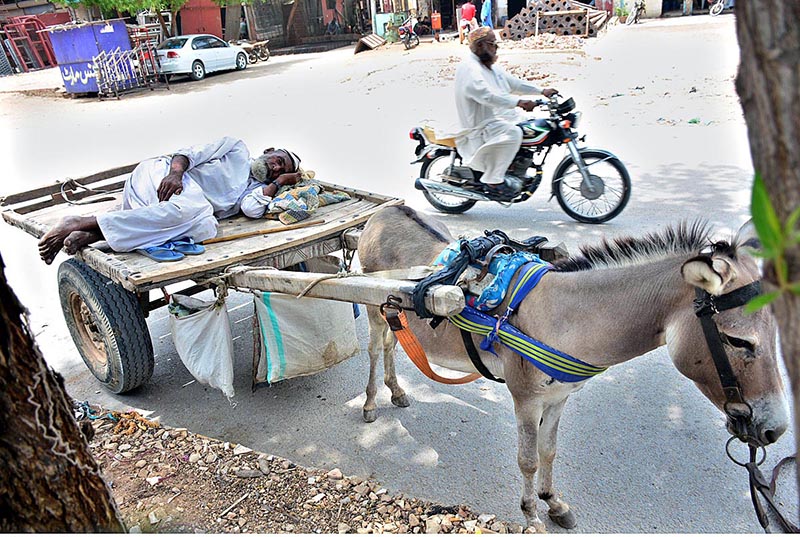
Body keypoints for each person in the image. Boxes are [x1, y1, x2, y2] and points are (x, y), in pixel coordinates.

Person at [38, 137, 302, 264]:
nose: (275, 167)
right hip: (159, 178)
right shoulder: (236, 149)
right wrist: (176, 173)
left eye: (281, 169)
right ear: (269, 150)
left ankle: (96, 234)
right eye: (277, 159)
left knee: (207, 226)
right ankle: (81, 221)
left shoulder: (255, 189)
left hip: (165, 211)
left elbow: (251, 209)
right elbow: (189, 153)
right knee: (197, 209)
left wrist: (278, 184)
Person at [454, 27, 558, 197]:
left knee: (530, 125)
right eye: (492, 44)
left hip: (495, 119)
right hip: (479, 127)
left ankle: (517, 168)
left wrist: (541, 90)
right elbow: (487, 96)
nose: (496, 48)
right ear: (481, 46)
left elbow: (514, 84)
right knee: (514, 133)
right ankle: (494, 180)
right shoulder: (470, 69)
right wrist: (519, 102)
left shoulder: (489, 67)